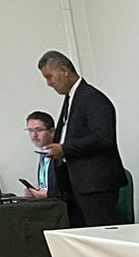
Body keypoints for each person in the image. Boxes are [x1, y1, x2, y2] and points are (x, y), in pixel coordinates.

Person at [37, 50, 123, 227]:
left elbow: (104, 137)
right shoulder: (71, 100)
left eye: (50, 77)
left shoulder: (92, 98)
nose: (49, 83)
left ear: (65, 70)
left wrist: (64, 149)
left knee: (101, 236)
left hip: (96, 184)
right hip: (75, 184)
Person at [23, 112, 55, 199]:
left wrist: (49, 195)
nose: (34, 135)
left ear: (52, 131)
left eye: (39, 130)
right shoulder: (42, 155)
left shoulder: (60, 156)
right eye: (30, 130)